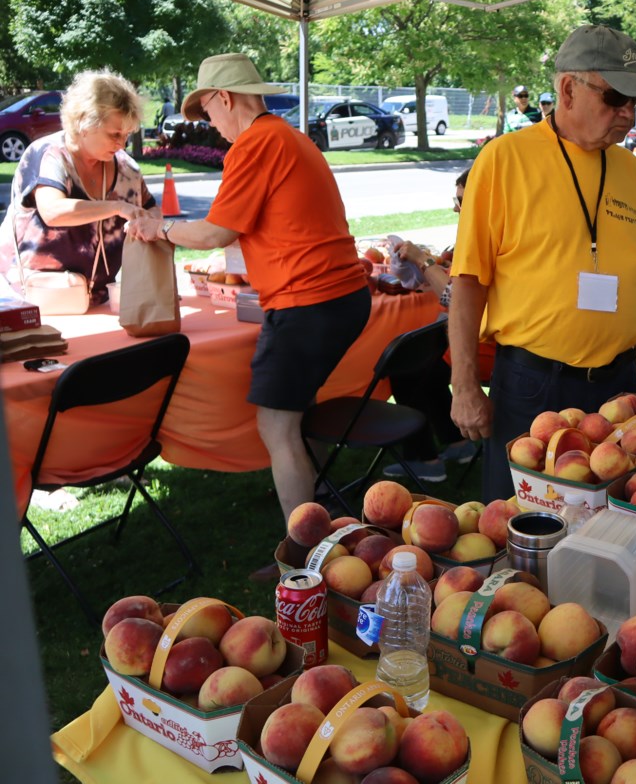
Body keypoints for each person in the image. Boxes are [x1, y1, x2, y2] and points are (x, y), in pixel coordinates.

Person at [447, 25, 636, 501]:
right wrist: (463, 384)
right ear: (568, 88)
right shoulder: (504, 161)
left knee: (605, 526)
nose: (628, 113)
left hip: (616, 388)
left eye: (635, 102)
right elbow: (468, 283)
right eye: (615, 97)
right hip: (531, 387)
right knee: (521, 525)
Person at [126, 53, 370, 536]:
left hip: (309, 302)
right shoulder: (285, 137)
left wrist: (161, 228)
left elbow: (217, 232)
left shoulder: (256, 143)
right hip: (340, 296)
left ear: (224, 97)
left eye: (208, 112)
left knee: (275, 426)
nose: (211, 125)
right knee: (298, 413)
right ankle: (317, 510)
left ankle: (304, 554)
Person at [3, 70, 155, 305]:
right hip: (33, 301)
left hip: (100, 301)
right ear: (84, 122)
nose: (122, 143)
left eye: (126, 134)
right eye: (114, 133)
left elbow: (151, 212)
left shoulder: (128, 168)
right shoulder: (48, 154)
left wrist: (150, 225)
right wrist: (116, 207)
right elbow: (53, 211)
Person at [381, 166, 481, 484]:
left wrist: (423, 260)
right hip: (485, 341)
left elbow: (455, 296)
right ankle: (457, 442)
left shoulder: (481, 235)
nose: (455, 207)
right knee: (427, 361)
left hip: (485, 346)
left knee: (407, 366)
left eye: (461, 201)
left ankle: (424, 458)